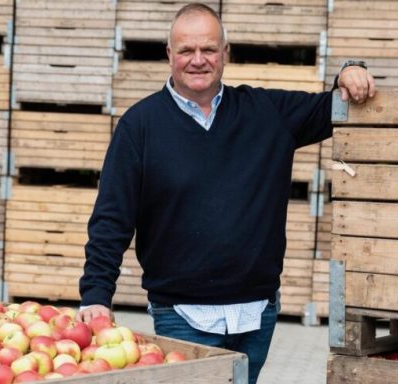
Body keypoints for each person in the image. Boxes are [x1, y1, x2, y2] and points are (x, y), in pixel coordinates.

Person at [76, 3, 374, 383]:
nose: (197, 60)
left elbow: (331, 106)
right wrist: (96, 294)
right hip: (181, 315)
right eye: (186, 50)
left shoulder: (266, 113)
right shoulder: (140, 126)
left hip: (257, 314)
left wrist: (351, 69)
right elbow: (111, 218)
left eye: (209, 50)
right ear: (169, 55)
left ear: (225, 54)